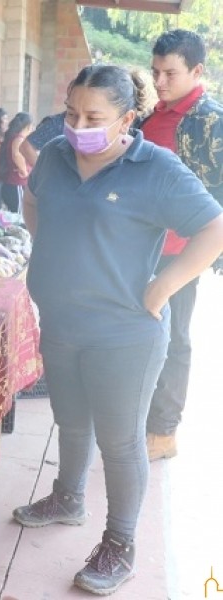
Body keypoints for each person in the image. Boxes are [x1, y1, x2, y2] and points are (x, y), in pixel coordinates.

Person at [16, 64, 223, 595]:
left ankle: (120, 543)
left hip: (124, 334)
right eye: (71, 112)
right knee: (70, 419)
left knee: (120, 439)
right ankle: (68, 497)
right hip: (62, 320)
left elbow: (213, 228)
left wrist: (162, 287)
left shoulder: (155, 168)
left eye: (93, 117)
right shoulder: (59, 156)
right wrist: (48, 249)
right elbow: (33, 197)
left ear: (128, 118)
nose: (77, 125)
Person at [138, 30, 223, 462]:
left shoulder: (212, 121)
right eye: (155, 72)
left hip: (183, 250)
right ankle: (137, 417)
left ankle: (163, 432)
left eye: (170, 73)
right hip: (140, 246)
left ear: (196, 71)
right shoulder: (151, 117)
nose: (160, 81)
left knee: (175, 337)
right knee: (140, 330)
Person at [0, 112, 33, 214]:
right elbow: (16, 155)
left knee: (13, 216)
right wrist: (25, 171)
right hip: (17, 184)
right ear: (28, 126)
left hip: (11, 183)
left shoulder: (12, 137)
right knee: (19, 216)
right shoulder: (19, 139)